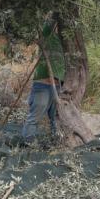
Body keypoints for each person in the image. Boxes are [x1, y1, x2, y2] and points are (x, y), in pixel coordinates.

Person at [22, 12, 66, 142]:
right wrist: (59, 9)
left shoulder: (64, 42)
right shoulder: (47, 34)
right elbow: (52, 20)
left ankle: (56, 142)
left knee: (56, 119)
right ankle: (28, 145)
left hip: (58, 86)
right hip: (43, 85)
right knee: (34, 118)